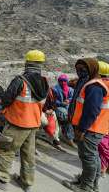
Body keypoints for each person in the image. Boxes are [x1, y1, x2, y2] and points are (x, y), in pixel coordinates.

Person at [0, 50, 49, 192]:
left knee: (6, 150)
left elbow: (7, 99)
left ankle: (2, 180)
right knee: (28, 154)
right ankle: (27, 183)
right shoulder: (44, 82)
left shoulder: (20, 80)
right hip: (34, 124)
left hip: (18, 123)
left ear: (27, 63)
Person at [63, 58, 108, 192]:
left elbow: (91, 110)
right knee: (93, 156)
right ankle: (92, 183)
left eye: (83, 69)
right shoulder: (102, 84)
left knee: (88, 157)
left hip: (90, 128)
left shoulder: (95, 86)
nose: (79, 71)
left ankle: (86, 186)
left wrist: (81, 129)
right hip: (99, 127)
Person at [52, 74, 75, 147]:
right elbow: (53, 100)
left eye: (64, 81)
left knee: (68, 120)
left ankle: (69, 138)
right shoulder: (55, 89)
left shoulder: (70, 89)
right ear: (58, 81)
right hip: (58, 108)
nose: (63, 83)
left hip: (67, 107)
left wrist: (68, 100)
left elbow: (73, 97)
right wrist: (61, 103)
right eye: (61, 81)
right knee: (64, 119)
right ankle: (56, 140)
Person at [98, 61, 109, 178]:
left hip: (101, 122)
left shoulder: (99, 86)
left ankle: (102, 168)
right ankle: (103, 168)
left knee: (103, 145)